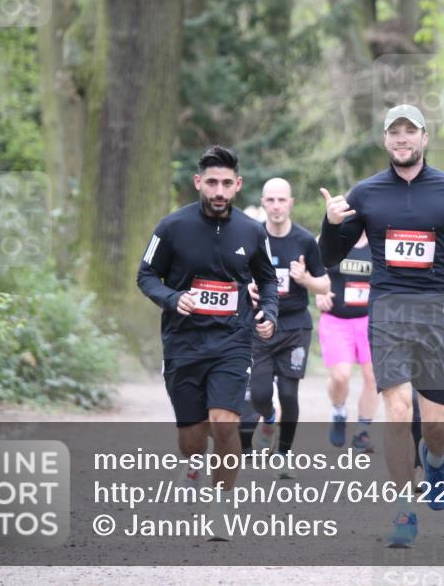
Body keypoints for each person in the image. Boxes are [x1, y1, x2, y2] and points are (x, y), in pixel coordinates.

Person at [319, 104, 444, 547]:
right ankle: (404, 511)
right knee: (398, 413)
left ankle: (435, 461)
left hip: (434, 315)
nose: (402, 140)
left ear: (424, 138)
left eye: (411, 132)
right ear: (385, 141)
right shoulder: (365, 194)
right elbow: (329, 256)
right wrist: (329, 226)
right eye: (394, 133)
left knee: (438, 426)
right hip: (387, 314)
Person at [136, 145, 278, 539]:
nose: (219, 190)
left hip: (233, 340)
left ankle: (222, 505)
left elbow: (267, 279)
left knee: (225, 424)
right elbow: (146, 275)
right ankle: (194, 461)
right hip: (183, 342)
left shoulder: (252, 231)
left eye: (226, 184)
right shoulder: (171, 227)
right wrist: (171, 298)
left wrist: (269, 314)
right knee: (193, 437)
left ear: (238, 186)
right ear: (199, 182)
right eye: (211, 182)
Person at [249, 177, 329, 478]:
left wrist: (305, 279)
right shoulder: (251, 237)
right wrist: (248, 286)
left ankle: (283, 454)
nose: (276, 206)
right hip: (260, 325)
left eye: (282, 200)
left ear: (291, 203)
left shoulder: (305, 240)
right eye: (270, 200)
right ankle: (268, 419)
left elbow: (324, 285)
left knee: (288, 393)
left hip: (295, 326)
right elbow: (235, 275)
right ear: (263, 203)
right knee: (258, 393)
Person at [315, 231, 377, 452]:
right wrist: (319, 292)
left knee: (373, 377)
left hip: (369, 319)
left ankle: (362, 432)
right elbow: (314, 269)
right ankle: (339, 411)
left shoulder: (378, 238)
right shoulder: (331, 238)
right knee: (341, 376)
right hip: (336, 319)